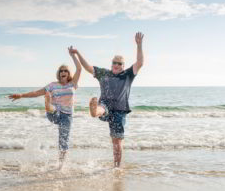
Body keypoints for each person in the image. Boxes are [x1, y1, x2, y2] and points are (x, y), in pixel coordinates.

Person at [70, 32, 144, 167]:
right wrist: (77, 53)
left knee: (117, 141)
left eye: (119, 63)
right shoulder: (104, 73)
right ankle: (94, 111)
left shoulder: (127, 75)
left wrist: (139, 45)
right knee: (102, 108)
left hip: (119, 112)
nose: (116, 64)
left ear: (123, 65)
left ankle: (117, 167)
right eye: (114, 62)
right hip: (105, 105)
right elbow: (87, 67)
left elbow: (139, 63)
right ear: (111, 64)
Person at [8, 46, 81, 169]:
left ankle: (61, 165)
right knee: (52, 107)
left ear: (69, 74)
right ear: (59, 74)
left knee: (63, 140)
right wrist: (21, 95)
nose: (63, 73)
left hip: (67, 116)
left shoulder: (73, 84)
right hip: (54, 112)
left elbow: (79, 68)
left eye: (66, 71)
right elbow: (36, 93)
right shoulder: (52, 85)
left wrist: (73, 55)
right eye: (61, 71)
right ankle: (47, 104)